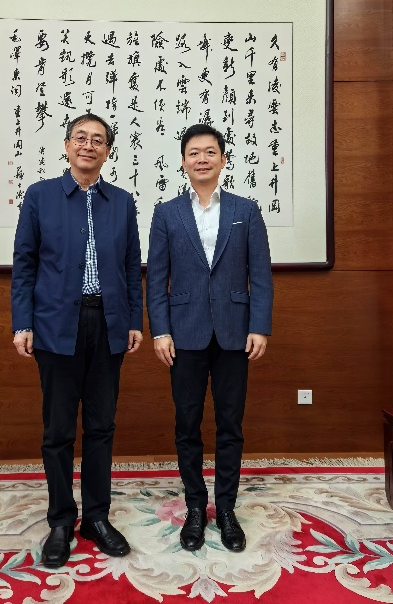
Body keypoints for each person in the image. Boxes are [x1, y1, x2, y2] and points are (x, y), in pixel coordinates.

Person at [11, 113, 143, 568]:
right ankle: (62, 521)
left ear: (108, 151)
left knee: (102, 427)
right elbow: (25, 264)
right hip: (55, 326)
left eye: (98, 140)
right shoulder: (40, 196)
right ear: (67, 146)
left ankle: (97, 518)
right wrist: (22, 323)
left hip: (108, 324)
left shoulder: (122, 202)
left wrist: (133, 320)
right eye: (81, 138)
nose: (89, 145)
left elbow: (131, 267)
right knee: (59, 430)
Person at [146, 123, 273, 553]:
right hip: (184, 333)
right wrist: (160, 330)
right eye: (194, 153)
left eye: (210, 152)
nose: (202, 159)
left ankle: (228, 508)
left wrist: (259, 326)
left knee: (230, 424)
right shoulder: (166, 213)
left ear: (223, 159)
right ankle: (196, 508)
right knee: (187, 424)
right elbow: (156, 278)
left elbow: (261, 274)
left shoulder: (245, 210)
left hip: (236, 331)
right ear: (183, 162)